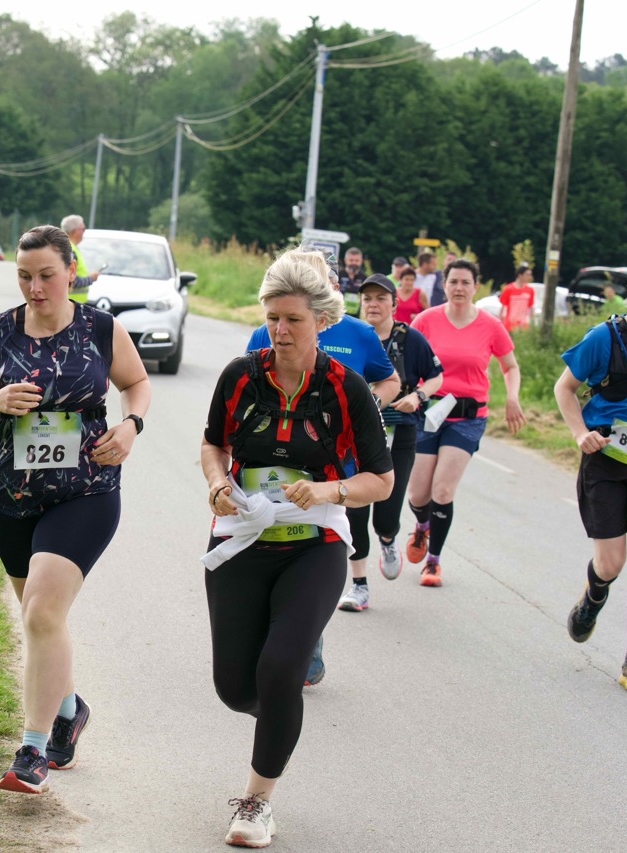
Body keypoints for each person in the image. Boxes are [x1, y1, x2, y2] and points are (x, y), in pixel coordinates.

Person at [0, 224, 151, 792]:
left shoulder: (100, 329)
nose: (35, 288)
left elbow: (136, 383)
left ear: (70, 272)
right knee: (40, 617)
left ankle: (32, 752)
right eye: (24, 277)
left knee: (41, 612)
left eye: (46, 276)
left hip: (85, 490)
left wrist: (131, 425)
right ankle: (69, 708)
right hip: (9, 496)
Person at [201, 249, 393, 848]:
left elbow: (382, 481)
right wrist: (217, 483)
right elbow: (212, 445)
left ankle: (256, 802)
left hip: (316, 543)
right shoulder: (240, 375)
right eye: (272, 318)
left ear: (321, 322)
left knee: (282, 667)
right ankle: (279, 716)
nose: (280, 331)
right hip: (241, 541)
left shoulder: (346, 387)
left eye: (293, 320)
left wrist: (331, 489)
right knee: (236, 688)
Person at [247, 262, 401, 684]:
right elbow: (243, 391)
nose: (282, 328)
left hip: (333, 472)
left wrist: (364, 405)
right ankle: (274, 647)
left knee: (309, 558)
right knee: (269, 557)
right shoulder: (266, 331)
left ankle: (304, 652)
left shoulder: (360, 334)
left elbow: (390, 381)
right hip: (268, 468)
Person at [555, 253, 627, 694]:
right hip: (605, 454)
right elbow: (564, 388)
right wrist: (579, 433)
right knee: (610, 563)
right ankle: (594, 596)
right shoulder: (605, 337)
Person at [405, 259, 526, 586]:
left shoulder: (490, 326)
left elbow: (510, 366)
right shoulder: (425, 321)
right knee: (417, 494)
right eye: (453, 281)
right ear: (444, 285)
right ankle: (422, 527)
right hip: (429, 413)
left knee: (442, 490)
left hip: (468, 417)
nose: (459, 288)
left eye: (465, 282)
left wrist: (512, 397)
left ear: (476, 286)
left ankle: (433, 562)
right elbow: (406, 362)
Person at [338, 274, 445, 612]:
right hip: (354, 435)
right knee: (354, 510)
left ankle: (388, 538)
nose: (373, 304)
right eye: (367, 298)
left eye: (380, 298)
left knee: (386, 513)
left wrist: (418, 396)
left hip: (399, 431)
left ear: (394, 304)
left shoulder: (410, 339)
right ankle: (359, 586)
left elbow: (437, 376)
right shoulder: (352, 334)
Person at [60, 214, 94, 304]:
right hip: (71, 304)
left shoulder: (68, 248)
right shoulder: (70, 250)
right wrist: (91, 278)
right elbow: (72, 280)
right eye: (83, 229)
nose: (84, 232)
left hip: (71, 303)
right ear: (76, 231)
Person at [500, 262, 536, 331]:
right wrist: (500, 323)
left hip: (523, 326)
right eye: (527, 275)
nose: (529, 277)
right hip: (509, 325)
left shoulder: (530, 290)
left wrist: (532, 323)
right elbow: (503, 307)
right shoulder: (508, 289)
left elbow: (530, 308)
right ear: (520, 275)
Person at [338, 246, 367, 317]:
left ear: (361, 261)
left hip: (356, 317)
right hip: (338, 315)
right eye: (351, 260)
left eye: (357, 261)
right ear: (345, 260)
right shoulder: (338, 275)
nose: (354, 263)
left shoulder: (365, 278)